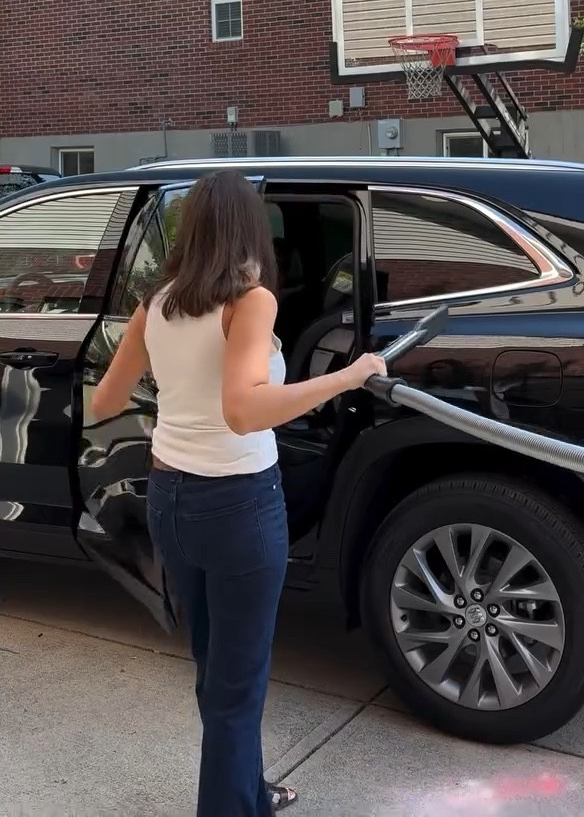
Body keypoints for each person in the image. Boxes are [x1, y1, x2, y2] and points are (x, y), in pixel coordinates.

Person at [91, 171, 386, 817]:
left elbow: (103, 401)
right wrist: (350, 376)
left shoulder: (156, 303)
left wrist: (170, 403)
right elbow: (246, 413)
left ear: (190, 230)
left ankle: (249, 791)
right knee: (238, 685)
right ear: (252, 230)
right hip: (238, 507)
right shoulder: (251, 303)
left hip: (170, 497)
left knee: (215, 670)